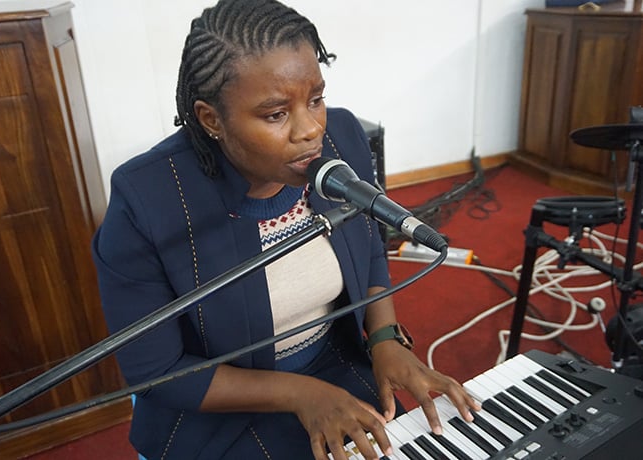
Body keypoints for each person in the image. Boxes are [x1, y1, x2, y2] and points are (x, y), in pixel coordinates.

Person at [92, 1, 480, 458]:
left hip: (334, 367)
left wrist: (384, 338)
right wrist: (301, 394)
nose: (311, 128)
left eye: (316, 99)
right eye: (276, 114)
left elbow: (369, 245)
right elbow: (158, 369)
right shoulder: (149, 197)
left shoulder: (342, 139)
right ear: (211, 118)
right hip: (216, 410)